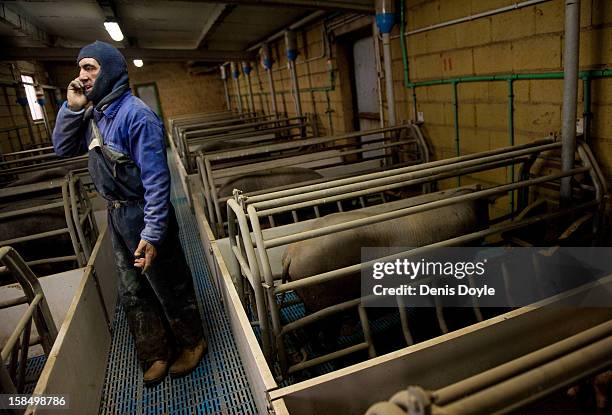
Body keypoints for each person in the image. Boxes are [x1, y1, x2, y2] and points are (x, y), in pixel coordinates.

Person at [52, 41, 206, 385]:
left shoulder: (136, 115)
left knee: (168, 282)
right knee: (132, 288)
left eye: (89, 68)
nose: (81, 76)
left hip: (142, 213)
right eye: (79, 69)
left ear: (110, 71)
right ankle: (155, 352)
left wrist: (152, 233)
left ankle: (192, 342)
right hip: (117, 214)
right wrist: (71, 108)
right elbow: (62, 147)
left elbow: (156, 180)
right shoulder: (94, 115)